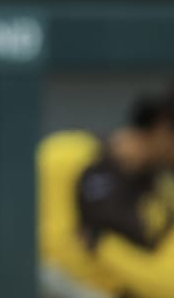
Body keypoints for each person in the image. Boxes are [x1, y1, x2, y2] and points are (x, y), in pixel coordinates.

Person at [38, 91, 174, 298]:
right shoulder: (66, 155)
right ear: (162, 128)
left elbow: (167, 284)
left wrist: (102, 244)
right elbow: (52, 253)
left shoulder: (165, 192)